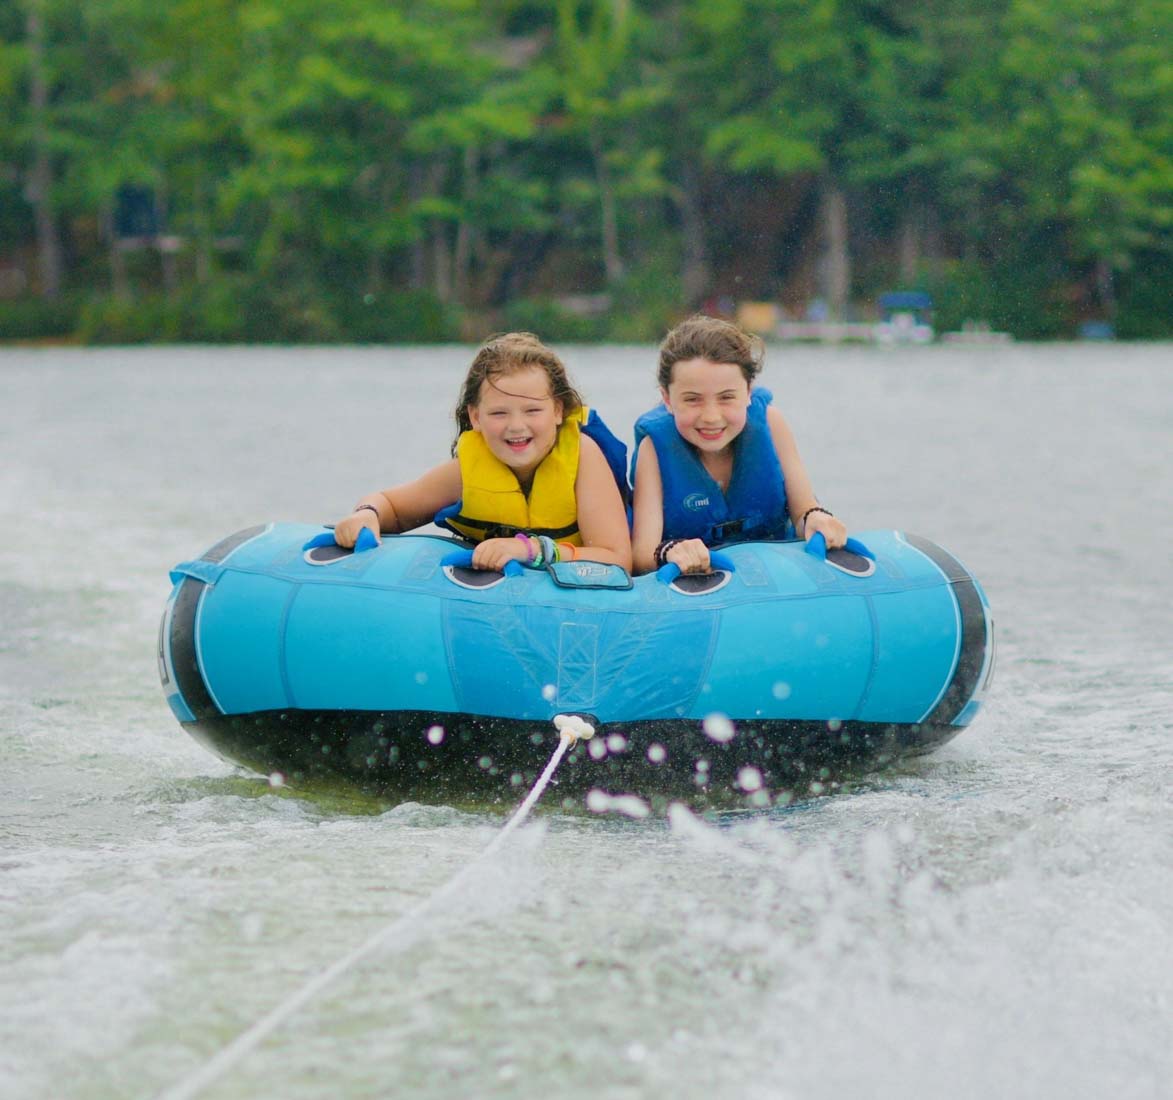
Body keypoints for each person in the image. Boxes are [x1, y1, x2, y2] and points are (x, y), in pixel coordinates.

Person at [333, 332, 632, 573]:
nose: (516, 426)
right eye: (499, 413)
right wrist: (367, 514)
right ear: (475, 417)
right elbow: (392, 506)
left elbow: (617, 558)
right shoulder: (469, 469)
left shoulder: (582, 457)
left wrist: (532, 550)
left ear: (557, 410)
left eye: (532, 411)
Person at [631, 315, 847, 575]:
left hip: (776, 575)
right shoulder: (654, 448)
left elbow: (804, 511)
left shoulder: (771, 423)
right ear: (667, 399)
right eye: (692, 399)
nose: (711, 417)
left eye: (726, 397)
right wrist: (670, 551)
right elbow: (642, 554)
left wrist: (816, 518)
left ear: (748, 392)